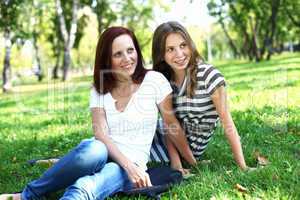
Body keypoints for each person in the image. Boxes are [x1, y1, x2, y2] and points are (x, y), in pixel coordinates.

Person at [0, 26, 196, 200]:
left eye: (130, 50)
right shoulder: (99, 87)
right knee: (93, 149)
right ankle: (28, 194)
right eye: (118, 54)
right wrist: (128, 166)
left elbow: (171, 124)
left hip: (129, 164)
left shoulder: (154, 80)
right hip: (102, 154)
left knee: (83, 188)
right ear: (107, 59)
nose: (127, 59)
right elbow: (100, 134)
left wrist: (191, 160)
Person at [150, 21, 249, 172]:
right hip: (157, 140)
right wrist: (177, 164)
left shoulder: (209, 76)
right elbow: (168, 124)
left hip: (184, 149)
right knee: (119, 148)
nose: (179, 54)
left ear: (190, 44)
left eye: (183, 45)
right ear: (161, 55)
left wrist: (243, 166)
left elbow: (227, 122)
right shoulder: (164, 81)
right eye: (170, 49)